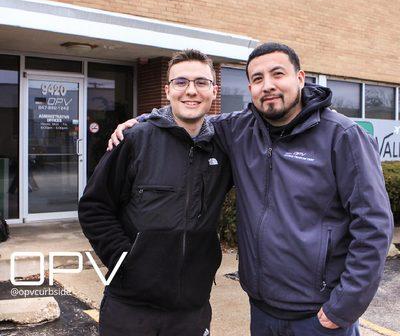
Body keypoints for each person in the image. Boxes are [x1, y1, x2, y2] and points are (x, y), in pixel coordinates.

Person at [109, 42, 394, 336]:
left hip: (320, 316)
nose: (267, 85)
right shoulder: (238, 129)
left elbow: (373, 224)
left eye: (277, 74)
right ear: (250, 87)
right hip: (262, 310)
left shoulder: (343, 136)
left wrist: (344, 306)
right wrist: (142, 121)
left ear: (300, 78)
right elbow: (188, 115)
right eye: (258, 79)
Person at [79, 49, 232, 336]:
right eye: (181, 82)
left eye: (201, 82)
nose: (191, 91)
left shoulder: (225, 147)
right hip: (130, 306)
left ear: (214, 91)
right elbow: (94, 207)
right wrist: (125, 259)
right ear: (167, 90)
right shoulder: (135, 139)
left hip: (192, 308)